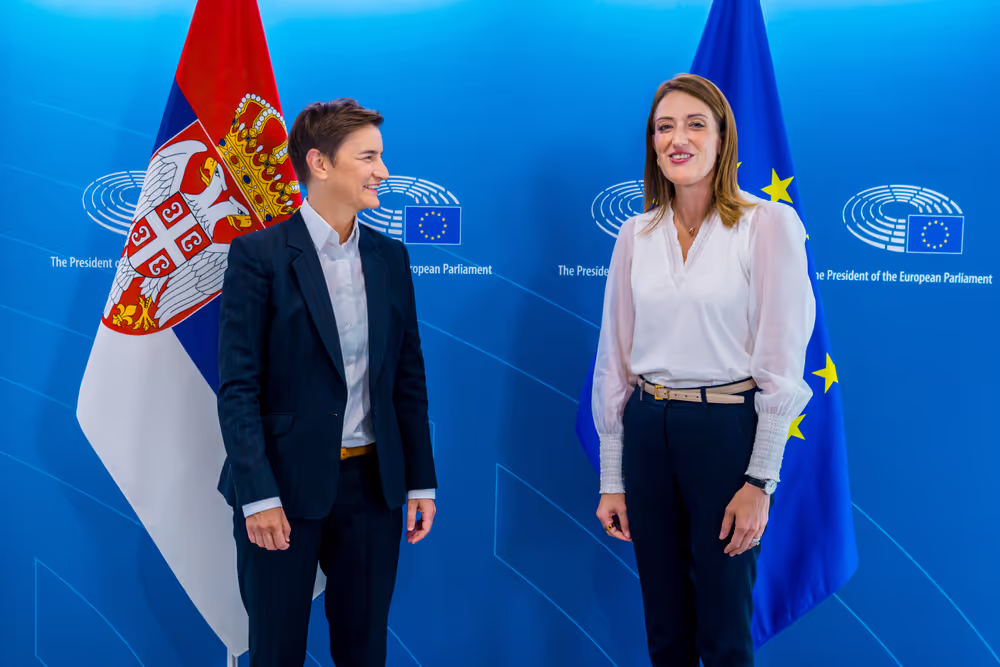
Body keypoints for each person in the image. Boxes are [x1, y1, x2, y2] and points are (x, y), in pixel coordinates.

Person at [592, 73, 815, 666]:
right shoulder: (635, 234)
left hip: (726, 433)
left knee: (722, 629)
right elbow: (613, 361)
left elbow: (782, 362)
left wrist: (759, 482)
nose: (678, 138)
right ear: (652, 142)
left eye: (695, 124)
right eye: (664, 127)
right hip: (648, 430)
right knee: (665, 628)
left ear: (723, 139)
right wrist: (612, 476)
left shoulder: (766, 224)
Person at [216, 98, 438, 667]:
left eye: (380, 157)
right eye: (368, 157)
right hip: (282, 488)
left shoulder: (391, 257)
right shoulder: (258, 256)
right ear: (319, 163)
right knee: (276, 651)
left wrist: (420, 481)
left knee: (364, 651)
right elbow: (239, 388)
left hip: (372, 489)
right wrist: (258, 495)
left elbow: (407, 378)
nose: (382, 171)